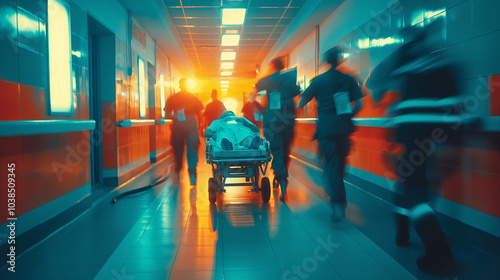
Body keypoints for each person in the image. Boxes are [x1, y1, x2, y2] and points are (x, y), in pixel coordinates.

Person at [366, 24, 459, 275]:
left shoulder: (403, 57)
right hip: (437, 136)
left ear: (410, 41)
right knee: (413, 186)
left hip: (411, 134)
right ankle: (404, 233)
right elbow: (454, 103)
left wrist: (385, 99)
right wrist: (448, 138)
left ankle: (440, 254)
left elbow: (373, 81)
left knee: (414, 193)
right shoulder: (443, 61)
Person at [298, 46, 363, 222]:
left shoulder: (318, 80)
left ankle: (338, 203)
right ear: (340, 60)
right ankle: (336, 192)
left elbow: (302, 103)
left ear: (326, 62)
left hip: (326, 130)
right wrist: (348, 115)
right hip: (343, 129)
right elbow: (359, 104)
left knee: (331, 165)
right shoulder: (349, 79)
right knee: (340, 164)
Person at [256, 58, 300, 201]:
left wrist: (261, 111)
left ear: (273, 66)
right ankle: (280, 176)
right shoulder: (290, 79)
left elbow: (256, 92)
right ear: (284, 66)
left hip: (272, 119)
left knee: (277, 150)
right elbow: (298, 93)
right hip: (288, 118)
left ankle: (281, 180)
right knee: (286, 149)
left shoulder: (266, 80)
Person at [164, 78, 204, 186]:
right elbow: (200, 114)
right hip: (191, 123)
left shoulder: (173, 98)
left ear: (179, 85)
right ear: (188, 86)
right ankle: (192, 173)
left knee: (178, 148)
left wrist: (174, 116)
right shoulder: (193, 97)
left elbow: (166, 114)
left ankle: (178, 170)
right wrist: (200, 127)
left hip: (178, 123)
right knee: (192, 147)